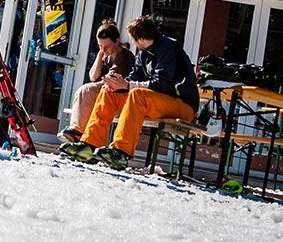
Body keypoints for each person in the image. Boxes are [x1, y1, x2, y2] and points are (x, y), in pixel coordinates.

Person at [64, 15, 199, 170]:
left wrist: (127, 85)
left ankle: (120, 152)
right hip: (156, 101)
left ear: (140, 39)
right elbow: (135, 76)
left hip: (182, 104)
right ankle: (89, 144)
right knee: (109, 91)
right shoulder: (144, 52)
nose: (132, 43)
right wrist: (118, 84)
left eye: (133, 39)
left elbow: (161, 84)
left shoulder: (168, 47)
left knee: (137, 94)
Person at [58, 19, 134, 143]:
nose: (103, 49)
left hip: (119, 99)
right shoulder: (105, 54)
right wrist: (99, 55)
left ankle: (78, 134)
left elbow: (110, 81)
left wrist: (90, 88)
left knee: (86, 90)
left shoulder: (125, 56)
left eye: (107, 46)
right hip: (106, 96)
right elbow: (93, 76)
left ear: (117, 41)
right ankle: (78, 134)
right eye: (100, 46)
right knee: (86, 91)